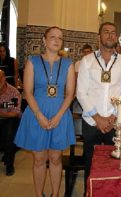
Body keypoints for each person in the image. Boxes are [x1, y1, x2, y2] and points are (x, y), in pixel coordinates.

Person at [14, 26, 76, 197]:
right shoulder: (32, 61)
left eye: (60, 38)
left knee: (56, 159)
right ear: (44, 40)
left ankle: (55, 194)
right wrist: (39, 115)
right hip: (36, 113)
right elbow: (27, 92)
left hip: (60, 114)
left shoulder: (68, 64)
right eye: (53, 37)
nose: (57, 40)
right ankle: (39, 194)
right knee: (39, 159)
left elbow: (70, 94)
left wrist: (58, 116)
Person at [76, 22, 121, 195]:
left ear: (117, 38)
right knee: (90, 163)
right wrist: (98, 118)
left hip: (115, 122)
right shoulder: (87, 61)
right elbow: (81, 92)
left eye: (113, 33)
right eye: (106, 32)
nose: (110, 35)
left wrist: (113, 117)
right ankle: (90, 192)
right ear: (99, 36)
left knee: (114, 164)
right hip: (91, 121)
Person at [0, 70, 21, 176]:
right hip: (5, 116)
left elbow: (15, 113)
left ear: (4, 78)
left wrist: (2, 110)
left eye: (1, 78)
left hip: (10, 119)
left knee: (8, 137)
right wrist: (4, 107)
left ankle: (9, 165)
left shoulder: (13, 92)